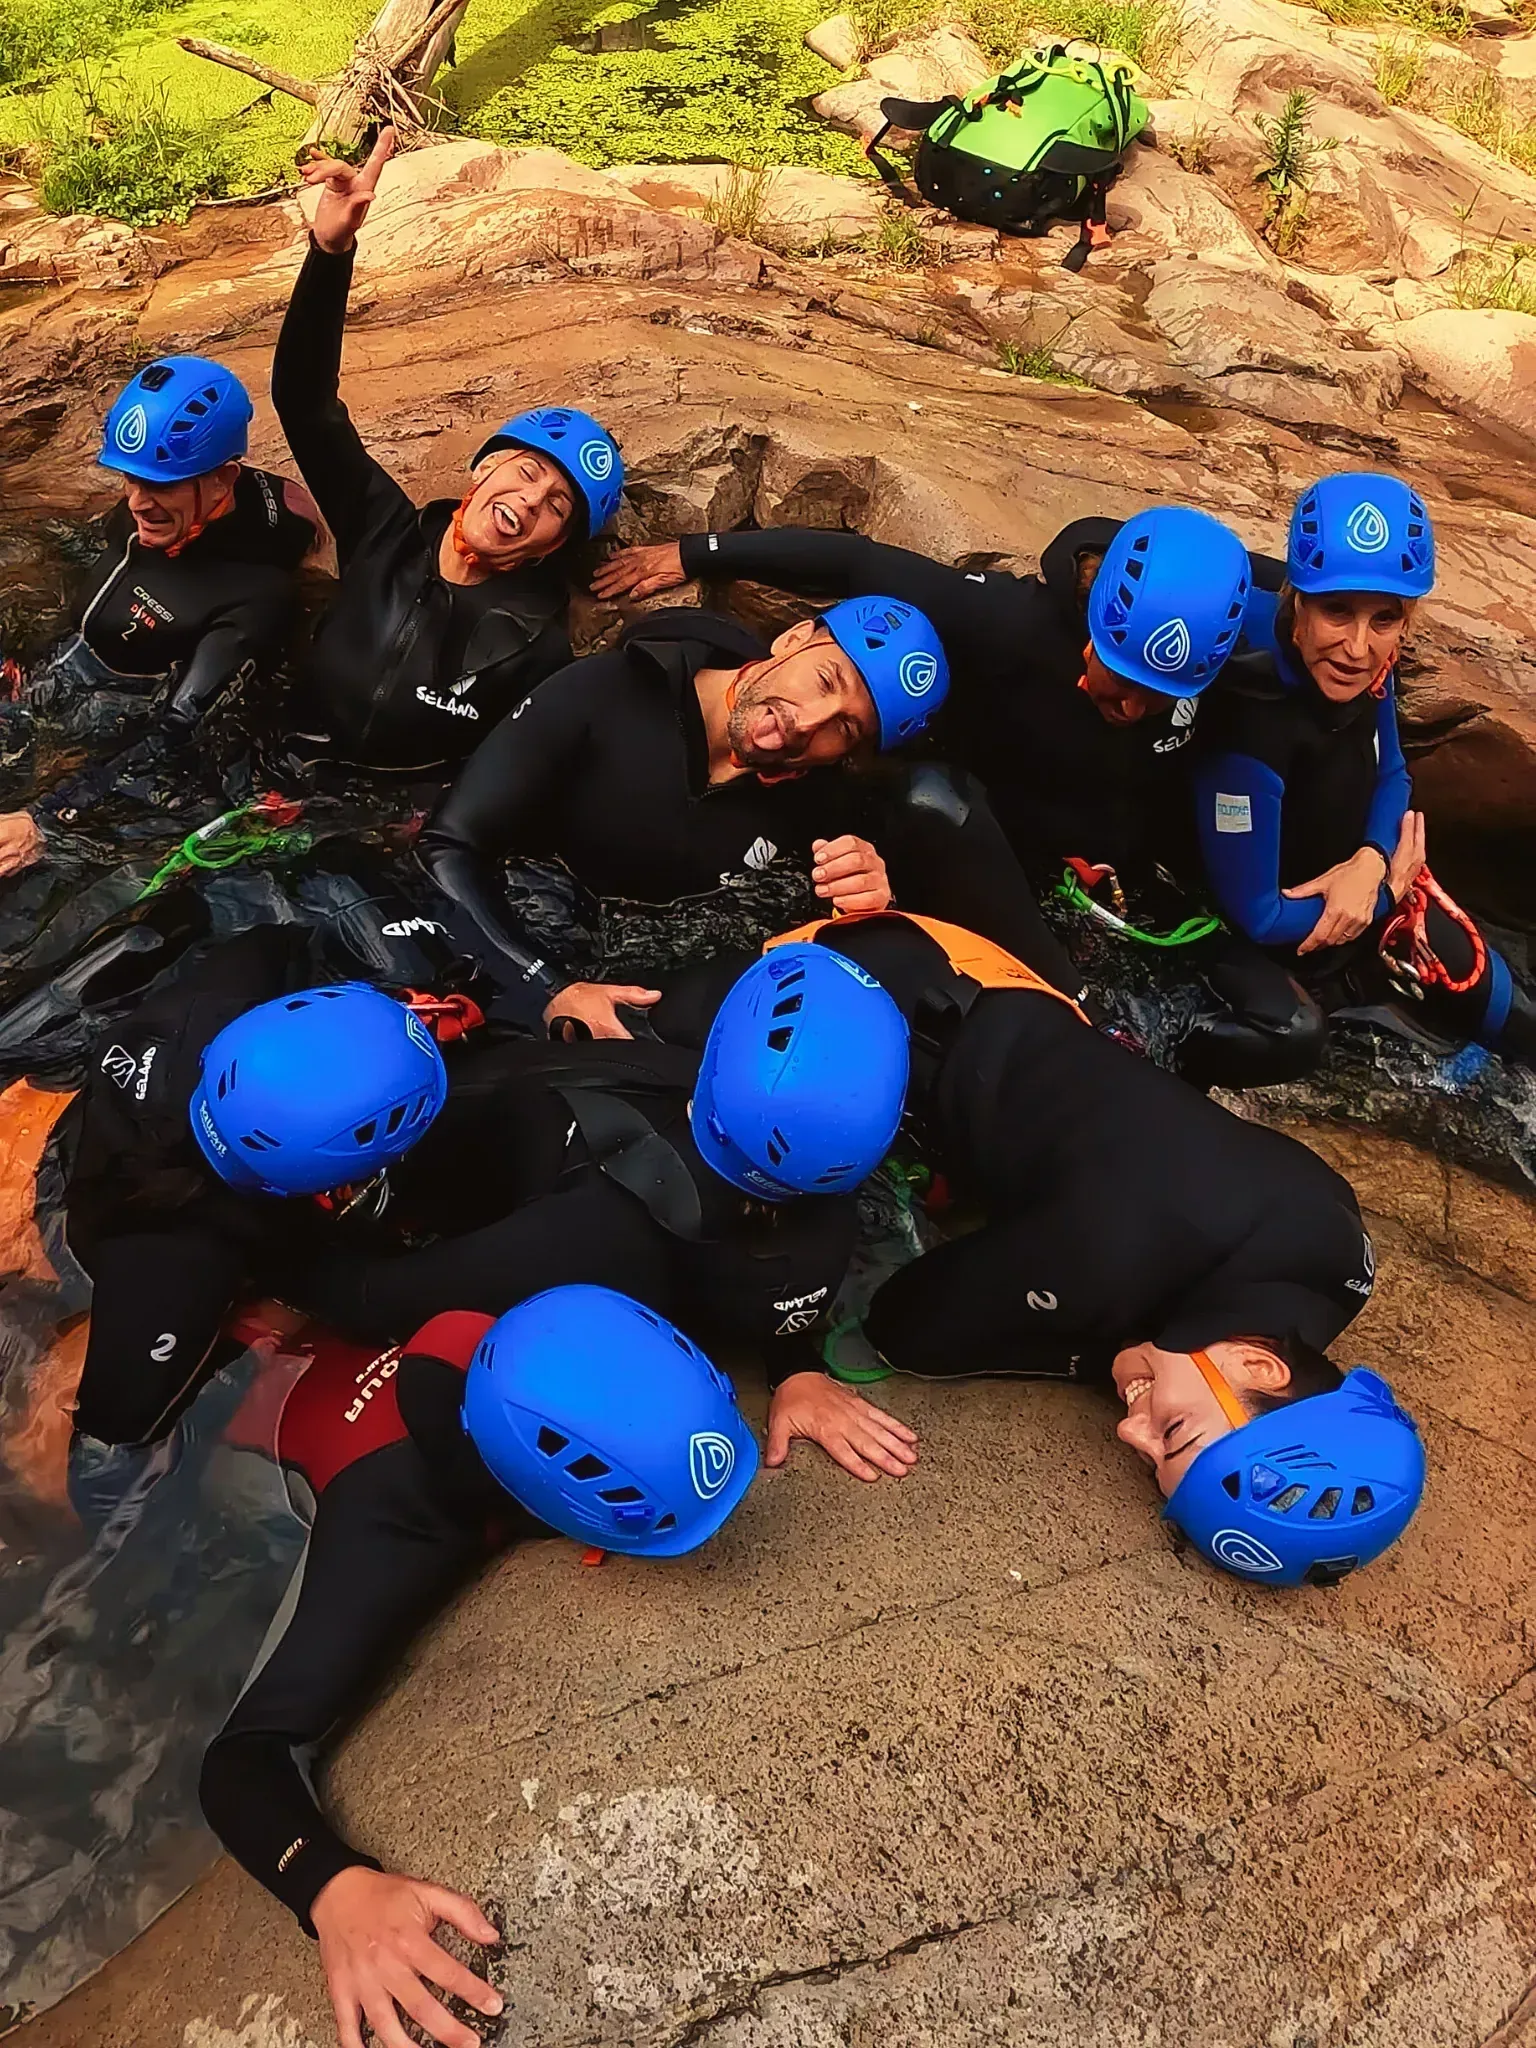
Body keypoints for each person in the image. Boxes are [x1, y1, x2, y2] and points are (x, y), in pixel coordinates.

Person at [651, 907, 1426, 1588]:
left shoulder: (1340, 1258)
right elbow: (906, 1324)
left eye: (1150, 1455)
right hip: (852, 1006)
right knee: (665, 1065)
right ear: (1261, 1367)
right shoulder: (1109, 1260)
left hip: (998, 981)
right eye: (1174, 1433)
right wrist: (1107, 1354)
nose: (1130, 1430)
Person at [60, 934, 912, 1489]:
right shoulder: (178, 1255)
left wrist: (535, 999)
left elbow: (378, 1300)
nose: (421, 1025)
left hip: (173, 1118)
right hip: (185, 1211)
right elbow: (362, 1300)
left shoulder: (224, 998)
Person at [198, 1286, 771, 2048]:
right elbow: (239, 1762)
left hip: (302, 1332)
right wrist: (330, 1885)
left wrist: (799, 1372)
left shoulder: (544, 1304)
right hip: (228, 1426)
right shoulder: (391, 1531)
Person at [418, 590, 1088, 1038]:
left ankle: (1078, 1014)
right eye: (827, 683)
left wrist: (876, 897)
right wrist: (551, 990)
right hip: (527, 939)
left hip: (656, 990)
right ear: (794, 637)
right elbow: (447, 847)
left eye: (845, 730)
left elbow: (848, 919)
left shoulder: (819, 802)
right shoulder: (605, 695)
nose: (809, 723)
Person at [593, 501, 1258, 885]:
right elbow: (859, 564)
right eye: (1121, 684)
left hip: (1125, 864)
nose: (1134, 710)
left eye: (1158, 696)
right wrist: (694, 553)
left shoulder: (1221, 630)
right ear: (1091, 630)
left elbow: (1325, 602)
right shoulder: (1008, 625)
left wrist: (1370, 858)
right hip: (994, 848)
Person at [273, 129, 622, 773]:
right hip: (275, 767)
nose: (528, 500)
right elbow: (304, 403)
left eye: (555, 507)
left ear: (550, 547)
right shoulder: (382, 531)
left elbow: (500, 781)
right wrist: (330, 252)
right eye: (526, 472)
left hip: (376, 830)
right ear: (484, 467)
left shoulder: (534, 648)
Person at [1191, 472, 1536, 1074]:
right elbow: (1260, 913)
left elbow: (1394, 772)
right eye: (1337, 612)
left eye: (1384, 619)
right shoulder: (1252, 716)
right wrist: (1385, 895)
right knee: (1293, 1035)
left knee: (1517, 1019)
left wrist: (1373, 858)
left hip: (1362, 888)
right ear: (1297, 600)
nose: (1356, 646)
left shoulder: (1371, 664)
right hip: (1262, 936)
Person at [0, 356, 317, 877]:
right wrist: (24, 654)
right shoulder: (151, 508)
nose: (137, 503)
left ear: (223, 481)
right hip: (49, 676)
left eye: (160, 485)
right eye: (130, 478)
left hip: (106, 724)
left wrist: (44, 819)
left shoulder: (252, 595)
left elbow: (180, 730)